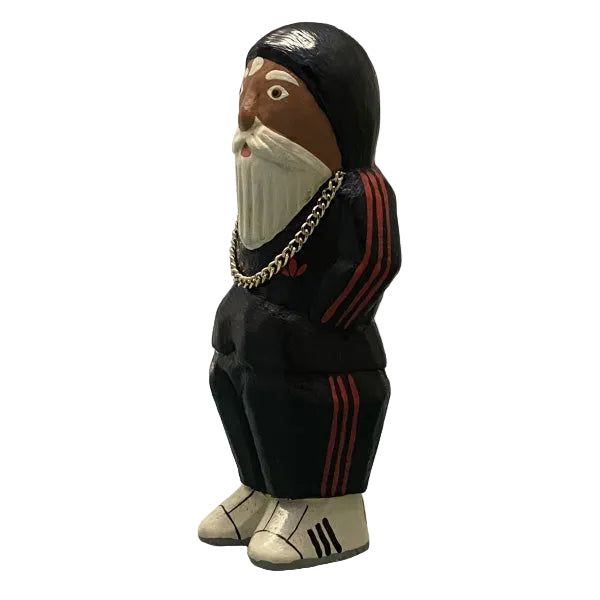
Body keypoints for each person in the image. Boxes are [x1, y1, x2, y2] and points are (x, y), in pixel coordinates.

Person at [198, 22, 401, 570]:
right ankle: (261, 484)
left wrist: (307, 320)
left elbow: (372, 266)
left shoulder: (358, 191)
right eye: (247, 91)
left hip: (330, 356)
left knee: (280, 374)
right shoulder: (273, 189)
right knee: (228, 370)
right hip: (267, 340)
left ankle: (321, 506)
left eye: (275, 94)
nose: (248, 114)